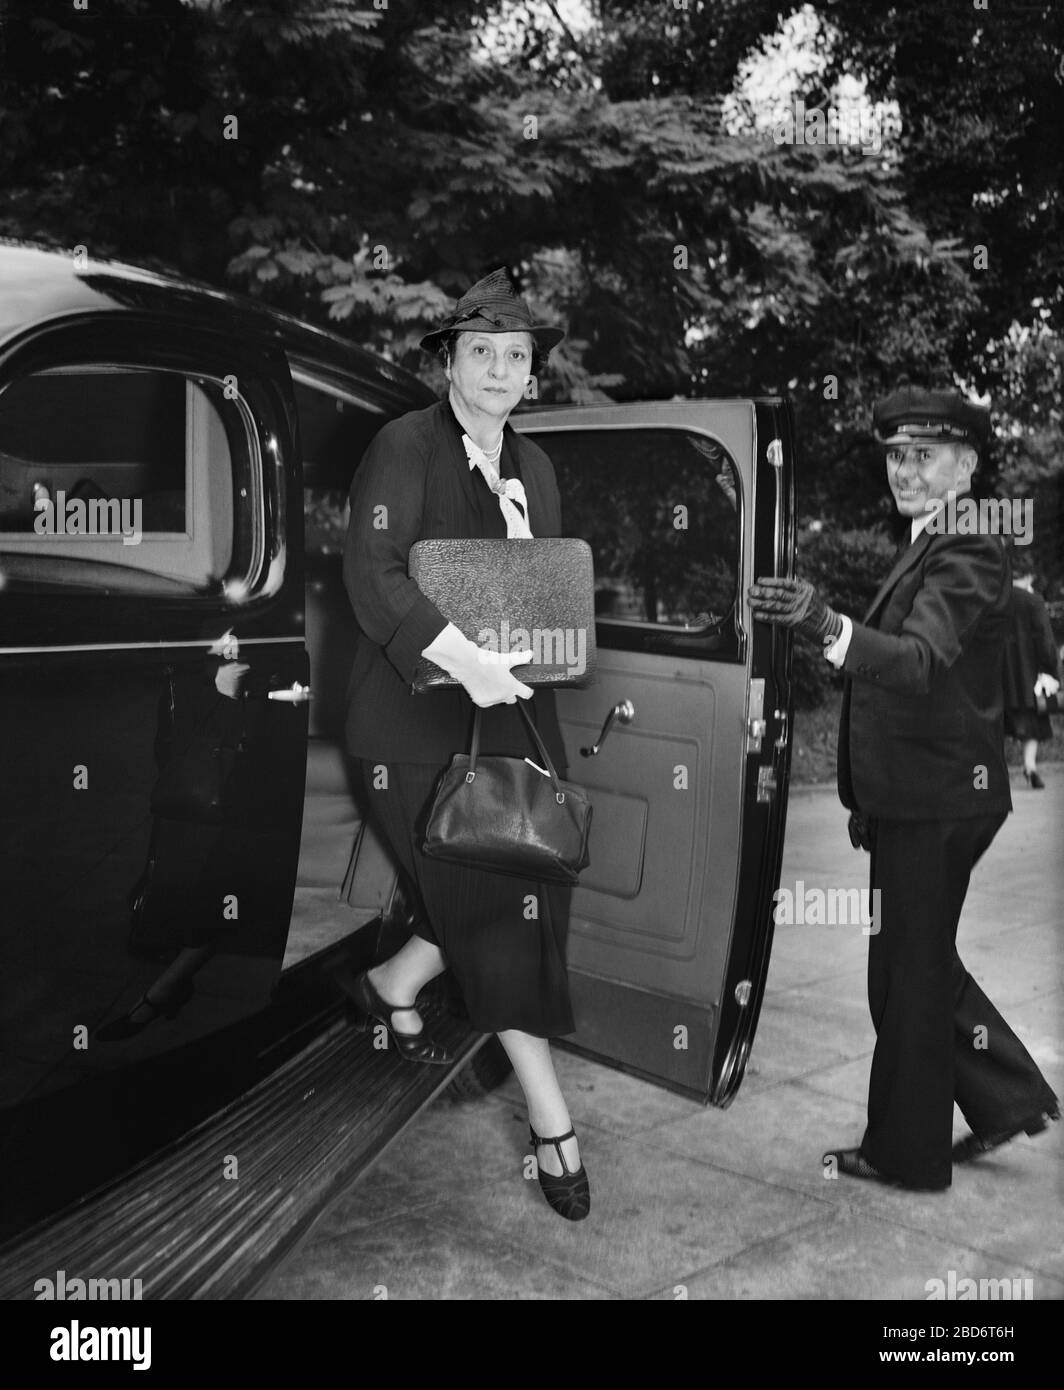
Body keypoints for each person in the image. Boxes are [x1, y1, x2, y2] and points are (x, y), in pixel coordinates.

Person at [748, 385, 1059, 1191]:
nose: (907, 471)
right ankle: (1010, 1097)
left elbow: (916, 664)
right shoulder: (932, 540)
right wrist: (876, 804)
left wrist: (824, 624)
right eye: (896, 455)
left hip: (943, 799)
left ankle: (907, 1154)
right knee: (910, 967)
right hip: (922, 796)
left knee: (907, 979)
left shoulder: (968, 547)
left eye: (926, 456)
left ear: (967, 465)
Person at [336, 269, 589, 1220]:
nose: (498, 370)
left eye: (516, 356)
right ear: (447, 361)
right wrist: (466, 659)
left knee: (515, 887)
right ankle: (553, 1123)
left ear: (532, 376)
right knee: (496, 911)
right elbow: (374, 572)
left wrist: (532, 663)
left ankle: (390, 980)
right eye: (478, 352)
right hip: (411, 728)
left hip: (509, 722)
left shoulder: (541, 467)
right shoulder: (402, 446)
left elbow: (543, 592)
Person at [1002, 561, 1061, 789]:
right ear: (1028, 576)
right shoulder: (1034, 601)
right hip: (1028, 675)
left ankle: (990, 776)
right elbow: (1046, 642)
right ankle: (1030, 767)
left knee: (997, 726)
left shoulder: (993, 599)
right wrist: (1051, 669)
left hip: (999, 675)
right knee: (1032, 722)